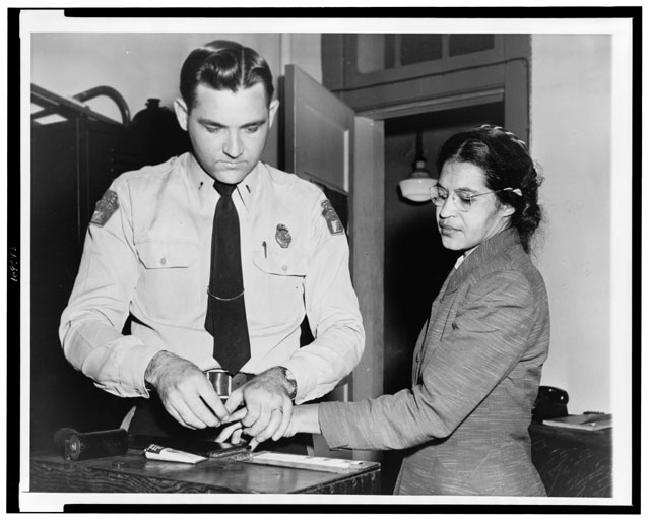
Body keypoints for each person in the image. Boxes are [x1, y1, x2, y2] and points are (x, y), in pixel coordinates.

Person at [59, 40, 364, 448]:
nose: (235, 149)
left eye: (252, 128)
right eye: (214, 127)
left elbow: (344, 330)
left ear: (271, 115)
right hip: (158, 433)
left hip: (272, 430)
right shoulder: (132, 197)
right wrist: (157, 367)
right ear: (184, 115)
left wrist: (287, 378)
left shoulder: (307, 206)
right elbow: (82, 325)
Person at [224, 124, 549, 495]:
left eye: (466, 198)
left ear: (508, 203)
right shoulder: (478, 267)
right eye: (442, 195)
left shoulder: (506, 284)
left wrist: (291, 418)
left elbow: (429, 412)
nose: (445, 211)